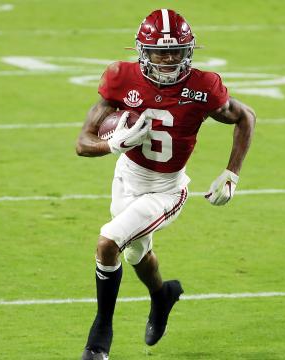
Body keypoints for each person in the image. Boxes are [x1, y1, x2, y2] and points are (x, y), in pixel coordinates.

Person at [75, 8, 256, 360]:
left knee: (108, 243)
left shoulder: (204, 87)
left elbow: (245, 116)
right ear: (144, 52)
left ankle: (99, 339)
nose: (169, 58)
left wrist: (231, 172)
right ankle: (162, 295)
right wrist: (115, 144)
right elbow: (82, 143)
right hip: (126, 179)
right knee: (134, 252)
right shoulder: (120, 78)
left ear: (189, 51)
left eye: (176, 51)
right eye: (160, 51)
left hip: (166, 189)